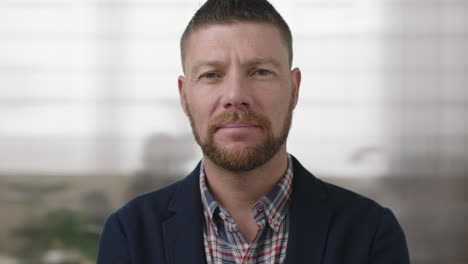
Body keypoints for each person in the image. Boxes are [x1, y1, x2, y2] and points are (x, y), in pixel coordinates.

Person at [97, 0, 410, 263]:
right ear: (184, 96)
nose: (235, 95)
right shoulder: (129, 233)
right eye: (211, 74)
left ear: (294, 88)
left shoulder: (370, 233)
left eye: (261, 71)